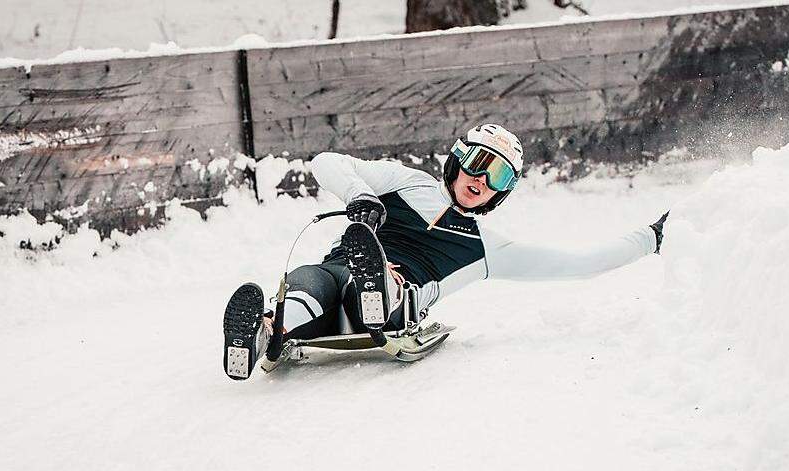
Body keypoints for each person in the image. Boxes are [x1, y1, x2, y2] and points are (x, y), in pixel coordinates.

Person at [223, 123, 669, 380]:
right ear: (457, 160)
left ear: (503, 193)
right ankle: (262, 332)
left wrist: (652, 236)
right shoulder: (405, 182)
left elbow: (581, 264)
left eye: (499, 177)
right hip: (337, 271)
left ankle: (379, 288)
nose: (482, 181)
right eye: (479, 164)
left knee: (375, 285)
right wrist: (361, 197)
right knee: (311, 282)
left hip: (398, 299)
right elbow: (326, 162)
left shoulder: (485, 248)